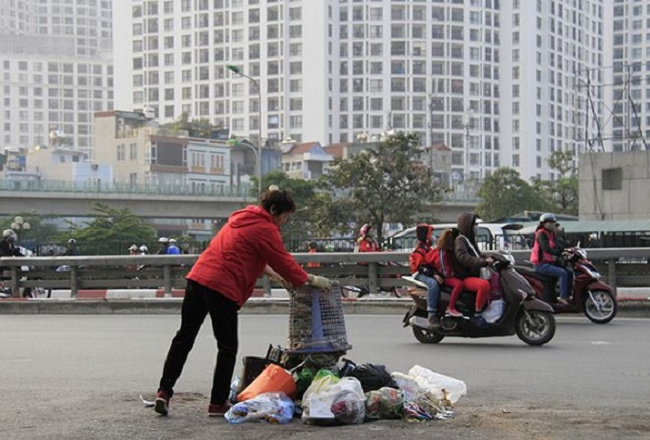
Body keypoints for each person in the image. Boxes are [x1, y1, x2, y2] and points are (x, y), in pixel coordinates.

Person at [154, 185, 332, 418]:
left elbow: (246, 253)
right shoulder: (266, 228)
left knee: (184, 338)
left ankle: (164, 392)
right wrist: (310, 278)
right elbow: (284, 261)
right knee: (227, 347)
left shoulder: (243, 218)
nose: (285, 222)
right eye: (285, 217)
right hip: (222, 287)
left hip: (198, 280)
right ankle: (217, 403)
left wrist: (274, 275)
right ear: (274, 210)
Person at [453, 212, 493, 313]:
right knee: (484, 285)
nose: (477, 227)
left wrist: (491, 257)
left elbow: (478, 255)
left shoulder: (470, 240)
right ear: (468, 225)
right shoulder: (460, 240)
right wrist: (482, 262)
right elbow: (464, 257)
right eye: (475, 225)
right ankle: (478, 312)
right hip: (464, 276)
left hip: (474, 273)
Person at [530, 213, 573, 305]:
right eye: (548, 222)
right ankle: (563, 297)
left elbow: (559, 245)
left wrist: (565, 248)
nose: (551, 224)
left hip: (549, 263)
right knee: (563, 273)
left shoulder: (552, 234)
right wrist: (558, 252)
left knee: (569, 272)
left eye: (552, 222)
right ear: (543, 224)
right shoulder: (541, 234)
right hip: (541, 264)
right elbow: (546, 248)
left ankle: (568, 295)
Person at [408, 224, 441, 328]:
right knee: (433, 284)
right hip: (419, 273)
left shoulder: (427, 247)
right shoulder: (420, 249)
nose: (432, 236)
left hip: (427, 271)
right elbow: (421, 267)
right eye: (430, 233)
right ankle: (431, 312)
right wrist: (434, 275)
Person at [430, 228, 465, 318]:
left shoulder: (445, 251)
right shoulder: (442, 253)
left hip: (445, 275)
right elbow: (443, 268)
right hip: (445, 277)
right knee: (459, 284)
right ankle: (451, 307)